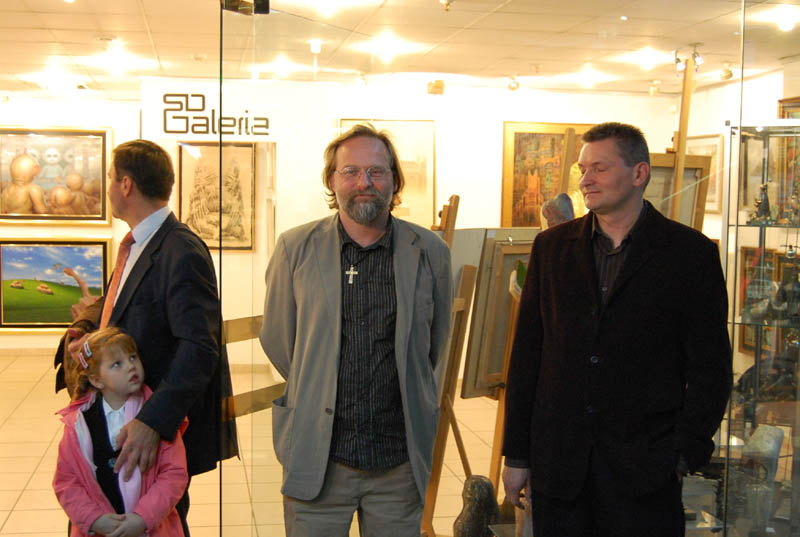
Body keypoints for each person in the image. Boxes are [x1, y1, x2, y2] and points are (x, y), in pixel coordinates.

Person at [501, 122, 732, 536]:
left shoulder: (689, 255)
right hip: (560, 469)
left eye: (599, 168)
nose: (585, 180)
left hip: (645, 474)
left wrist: (682, 453)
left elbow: (710, 368)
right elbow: (527, 358)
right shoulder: (551, 249)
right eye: (582, 169)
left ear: (639, 173)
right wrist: (517, 456)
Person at [259, 123, 453, 537]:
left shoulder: (431, 252)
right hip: (319, 458)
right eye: (350, 171)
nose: (364, 182)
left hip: (398, 462)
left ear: (394, 180)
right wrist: (317, 378)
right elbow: (278, 339)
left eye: (376, 171)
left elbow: (434, 346)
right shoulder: (295, 249)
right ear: (332, 180)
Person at [62, 139, 237, 536]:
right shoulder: (139, 244)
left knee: (157, 523)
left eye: (110, 178)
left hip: (150, 433)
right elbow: (121, 308)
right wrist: (88, 327)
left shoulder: (180, 250)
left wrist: (153, 422)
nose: (108, 186)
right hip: (120, 423)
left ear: (125, 185)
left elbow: (199, 347)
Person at [53, 327, 188, 537]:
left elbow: (174, 474)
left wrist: (143, 518)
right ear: (96, 380)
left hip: (153, 530)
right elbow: (66, 481)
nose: (130, 366)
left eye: (133, 357)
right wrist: (93, 519)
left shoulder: (156, 417)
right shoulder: (77, 425)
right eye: (117, 364)